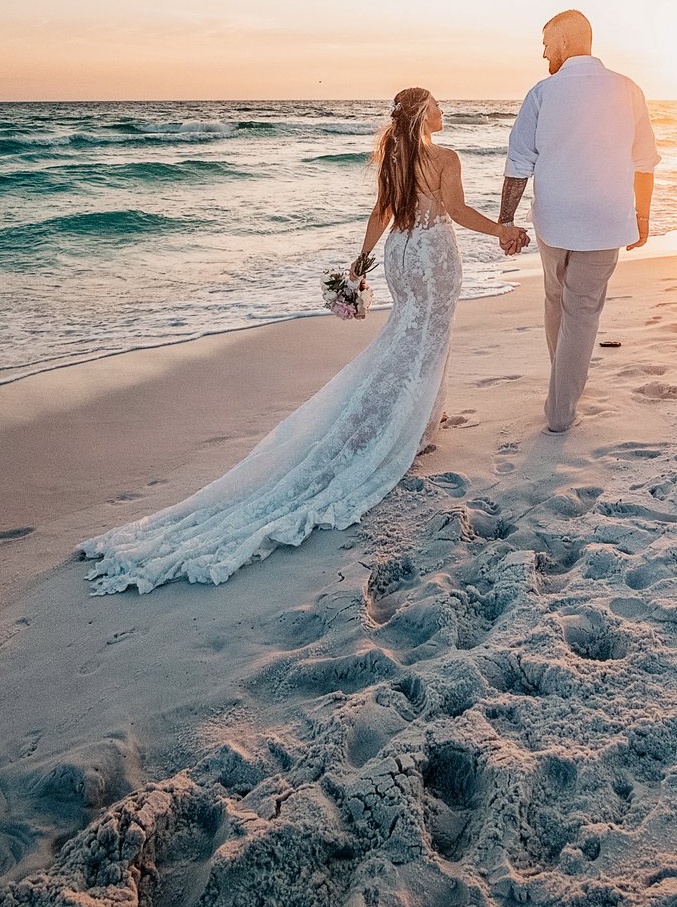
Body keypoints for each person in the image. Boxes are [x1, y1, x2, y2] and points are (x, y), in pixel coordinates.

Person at [79, 87, 526, 591]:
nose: (444, 111)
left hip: (399, 255)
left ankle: (422, 412)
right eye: (438, 105)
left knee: (406, 331)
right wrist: (502, 231)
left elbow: (381, 214)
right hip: (432, 252)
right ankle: (416, 422)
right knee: (429, 334)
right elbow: (456, 211)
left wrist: (362, 260)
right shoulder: (444, 157)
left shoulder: (393, 158)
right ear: (425, 113)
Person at [498, 10, 661, 434]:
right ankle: (564, 395)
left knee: (558, 301)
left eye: (546, 43)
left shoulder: (542, 93)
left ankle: (561, 401)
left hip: (555, 220)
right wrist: (642, 215)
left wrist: (505, 222)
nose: (543, 53)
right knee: (581, 311)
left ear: (566, 42)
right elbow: (644, 162)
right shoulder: (628, 89)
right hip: (605, 220)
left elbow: (518, 164)